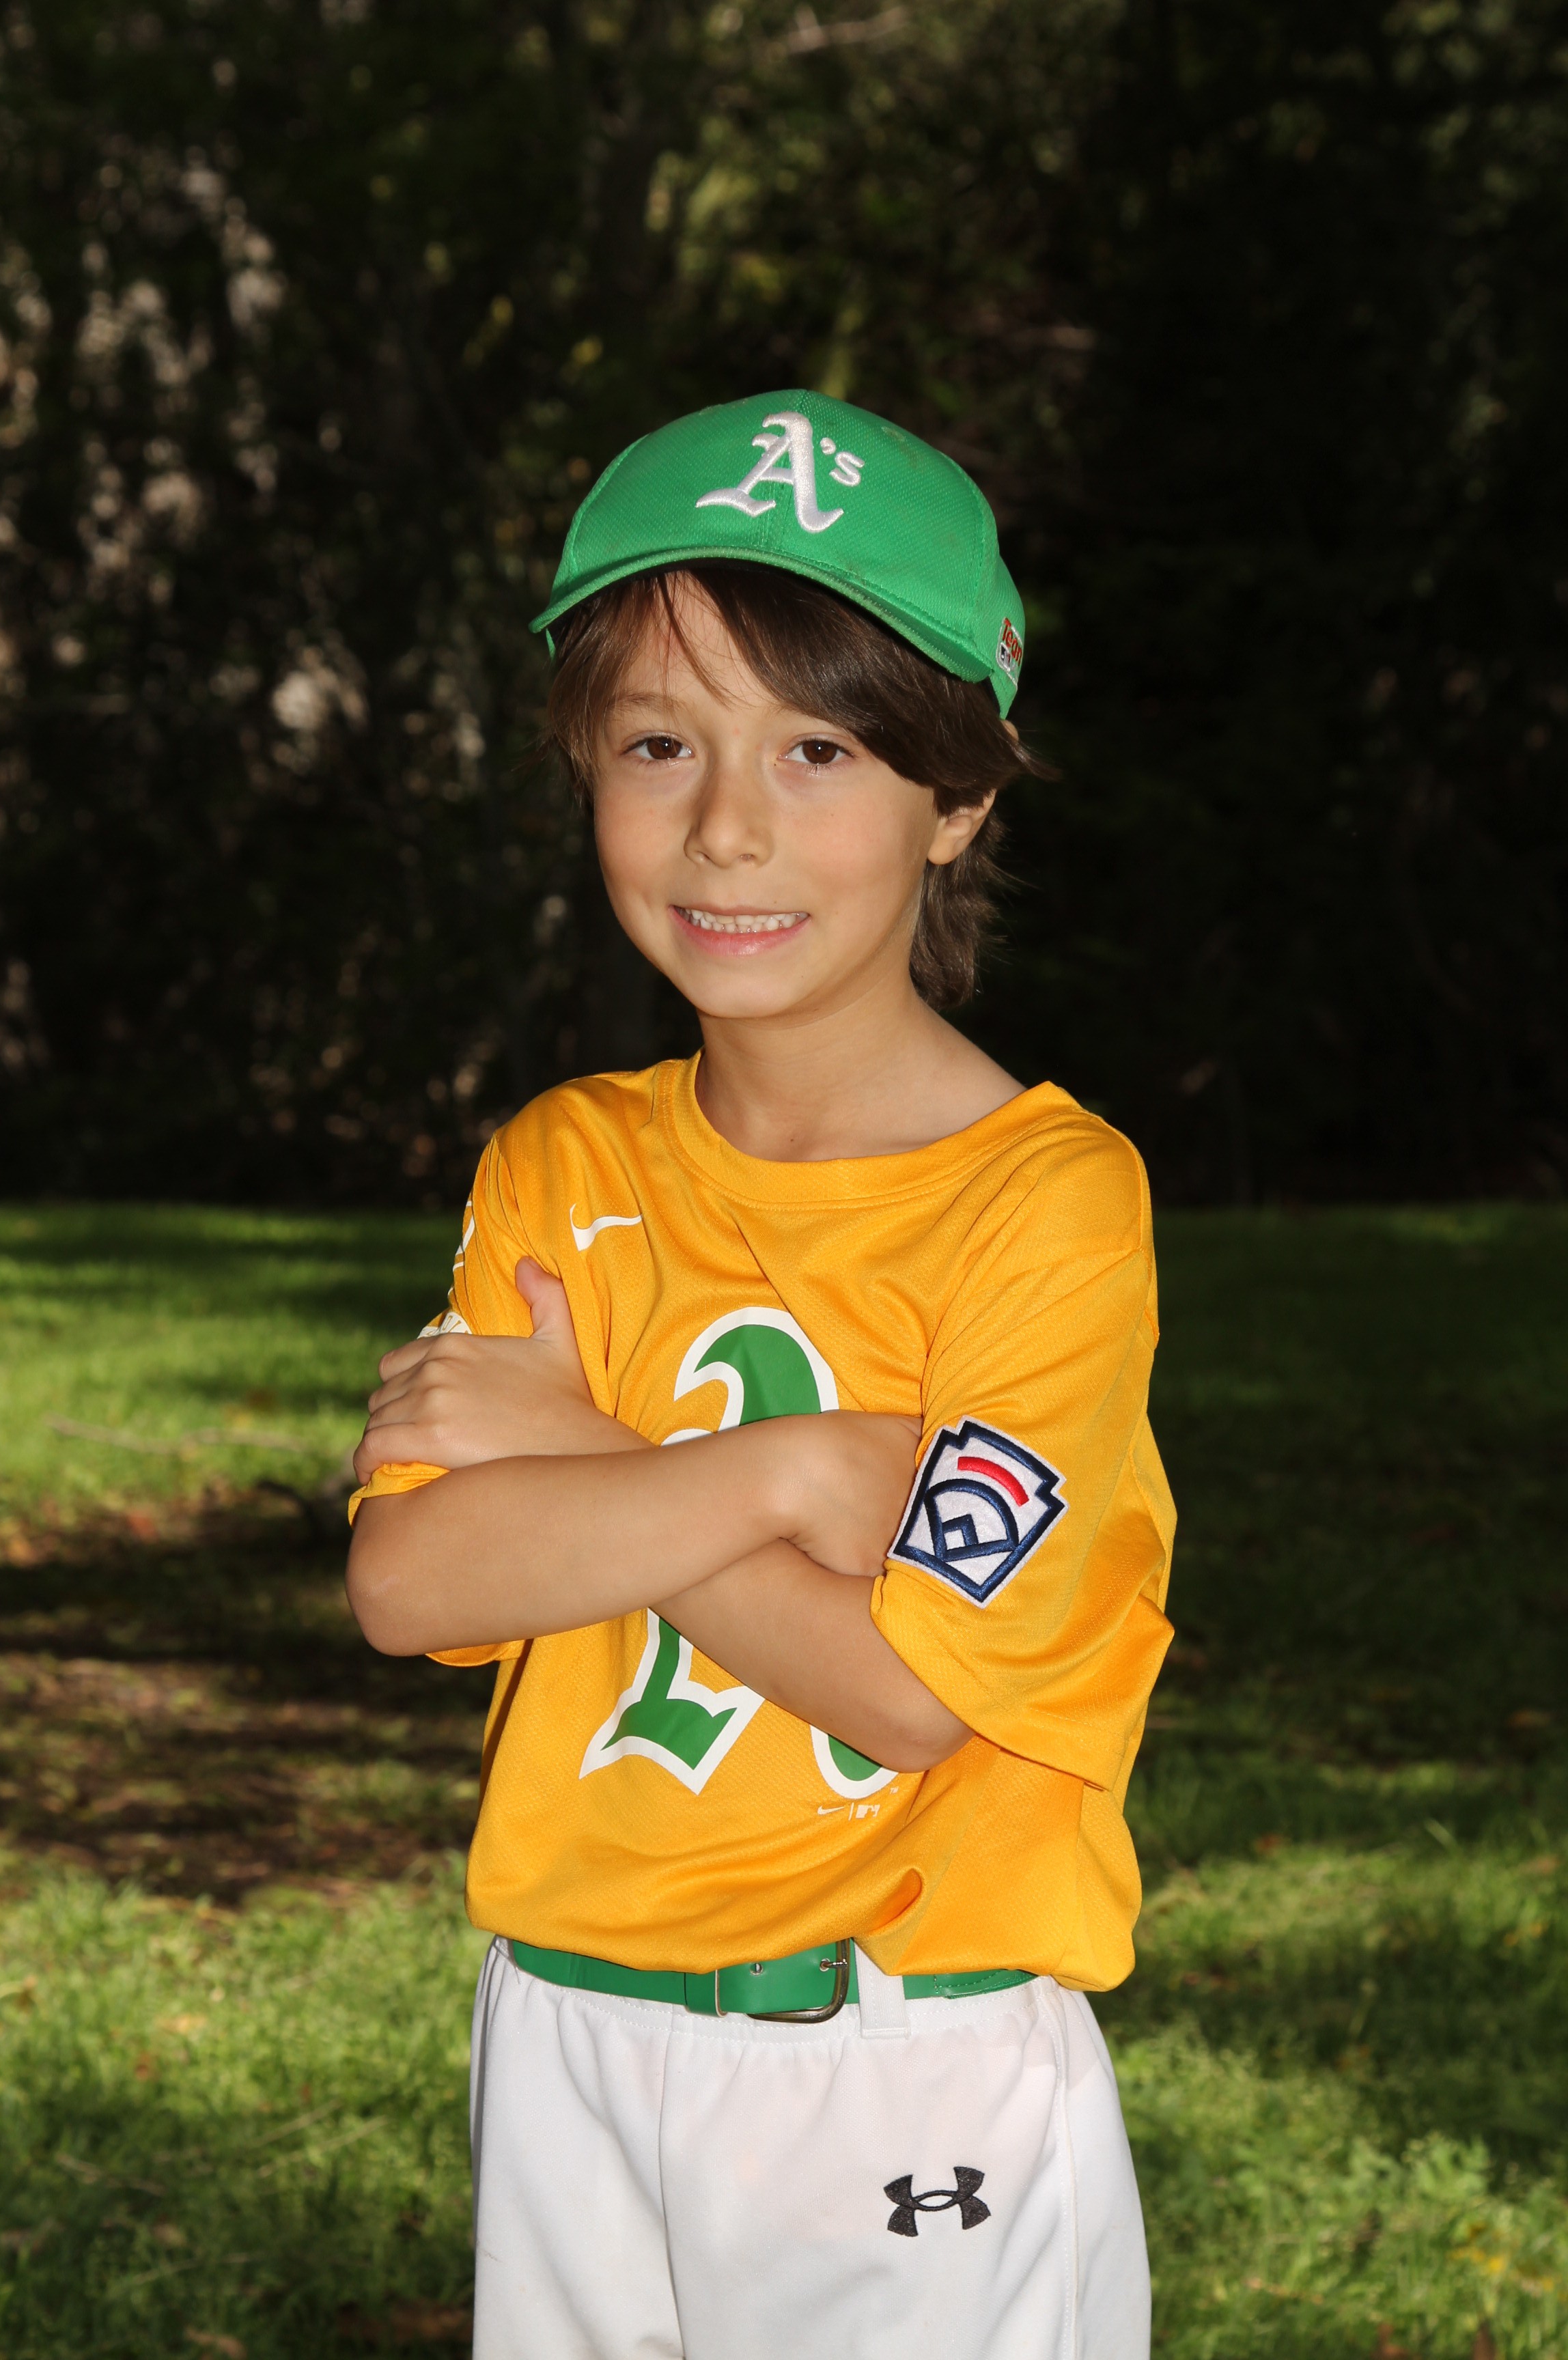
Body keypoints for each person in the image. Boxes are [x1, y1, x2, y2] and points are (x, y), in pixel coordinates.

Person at [345, 390, 1176, 2360]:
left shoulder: (1050, 1202)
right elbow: (413, 1583)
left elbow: (911, 1691)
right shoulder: (565, 1161)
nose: (727, 825)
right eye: (660, 744)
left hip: (899, 2059)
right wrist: (793, 1478)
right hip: (569, 2034)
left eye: (819, 748)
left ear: (958, 798)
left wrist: (585, 1462)